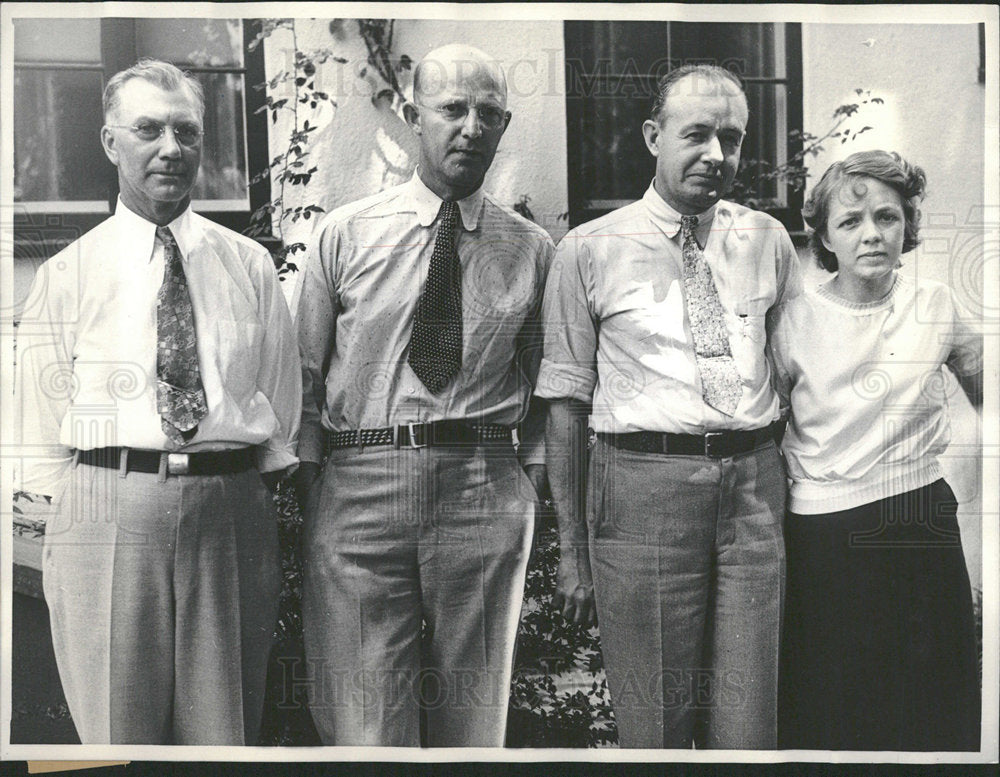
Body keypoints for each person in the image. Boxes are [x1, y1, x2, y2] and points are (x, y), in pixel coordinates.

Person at [16, 59, 301, 745]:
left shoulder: (248, 265)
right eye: (148, 130)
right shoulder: (68, 273)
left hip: (228, 511)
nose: (171, 149)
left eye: (187, 131)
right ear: (111, 142)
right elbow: (37, 427)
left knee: (224, 729)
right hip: (105, 510)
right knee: (116, 737)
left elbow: (280, 405)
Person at [294, 43, 552, 747]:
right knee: (366, 718)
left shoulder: (529, 247)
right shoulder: (344, 235)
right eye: (453, 109)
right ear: (413, 116)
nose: (472, 127)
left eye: (490, 114)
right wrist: (319, 486)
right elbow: (305, 377)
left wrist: (523, 481)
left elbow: (546, 378)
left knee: (474, 717)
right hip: (361, 485)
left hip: (481, 486)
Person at [536, 64, 802, 749]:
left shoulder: (768, 240)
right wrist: (571, 550)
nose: (717, 155)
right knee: (655, 725)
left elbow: (799, 373)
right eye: (698, 134)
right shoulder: (588, 250)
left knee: (748, 728)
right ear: (654, 136)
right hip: (641, 493)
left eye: (733, 139)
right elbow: (564, 405)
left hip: (752, 490)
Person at [772, 150, 982, 751]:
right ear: (825, 238)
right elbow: (771, 425)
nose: (872, 235)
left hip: (918, 525)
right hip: (822, 536)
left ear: (907, 227)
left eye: (888, 218)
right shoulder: (793, 319)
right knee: (832, 708)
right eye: (851, 223)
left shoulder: (936, 304)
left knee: (933, 709)